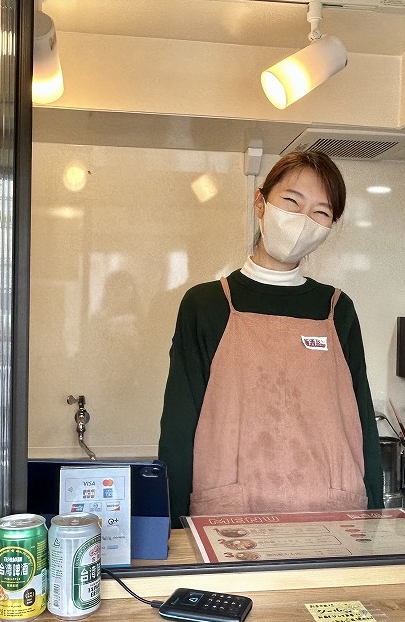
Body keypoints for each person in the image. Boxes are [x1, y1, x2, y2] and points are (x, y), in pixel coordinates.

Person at [158, 151, 383, 526]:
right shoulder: (206, 304)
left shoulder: (336, 309)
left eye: (320, 212)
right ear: (260, 203)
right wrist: (171, 526)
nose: (302, 220)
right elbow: (180, 425)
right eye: (291, 202)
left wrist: (376, 516)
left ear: (330, 227)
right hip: (228, 517)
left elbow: (361, 419)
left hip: (331, 519)